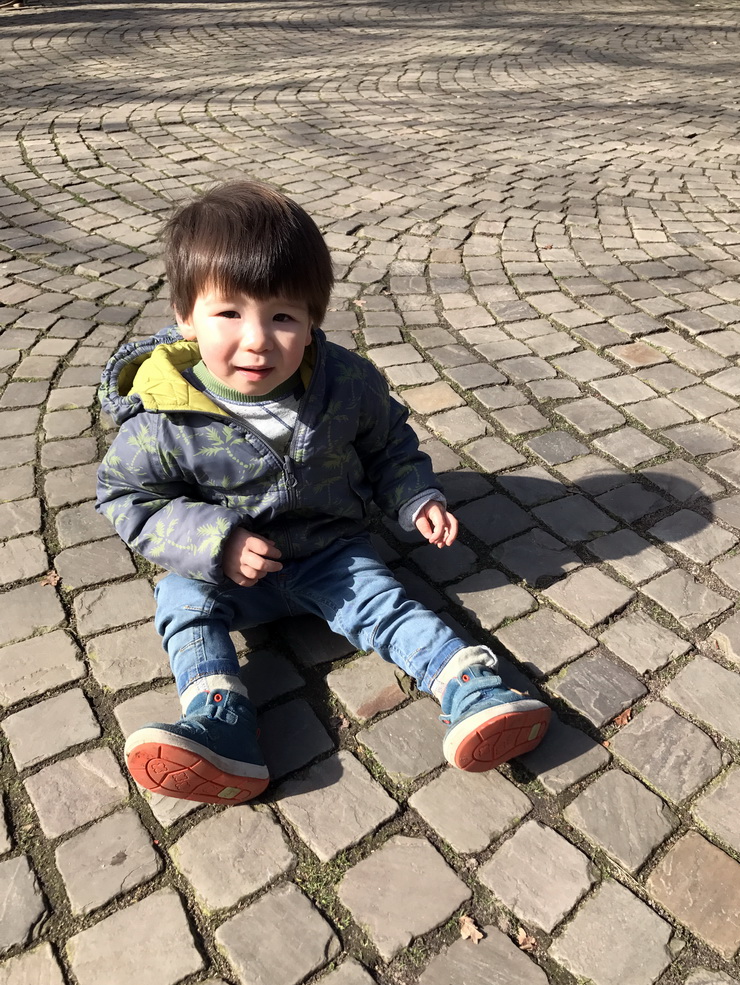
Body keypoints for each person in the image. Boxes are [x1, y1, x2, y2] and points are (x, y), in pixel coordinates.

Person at [96, 180, 550, 806]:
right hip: (226, 569)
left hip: (328, 549)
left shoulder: (345, 384)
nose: (257, 340)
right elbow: (128, 498)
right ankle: (218, 715)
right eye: (228, 313)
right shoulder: (164, 414)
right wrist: (214, 541)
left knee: (387, 601)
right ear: (184, 319)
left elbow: (389, 444)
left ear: (312, 321)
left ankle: (472, 687)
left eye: (283, 316)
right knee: (182, 603)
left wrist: (416, 497)